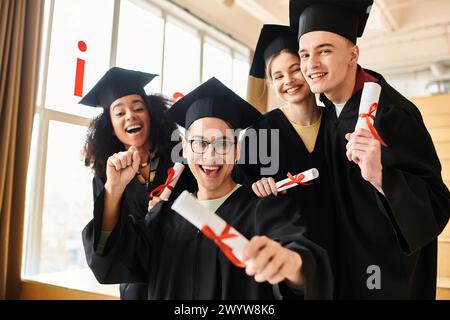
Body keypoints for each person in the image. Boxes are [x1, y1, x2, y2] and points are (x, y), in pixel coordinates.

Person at [82, 77, 333, 299]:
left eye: (223, 144)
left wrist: (289, 265)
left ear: (238, 150)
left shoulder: (265, 209)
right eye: (199, 143)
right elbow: (112, 259)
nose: (210, 155)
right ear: (184, 147)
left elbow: (302, 263)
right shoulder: (164, 216)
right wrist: (113, 190)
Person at [290, 0, 450, 299]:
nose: (311, 64)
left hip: (382, 277)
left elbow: (437, 205)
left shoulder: (391, 114)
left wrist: (380, 176)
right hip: (339, 268)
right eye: (305, 54)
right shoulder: (327, 110)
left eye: (324, 51)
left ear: (353, 55)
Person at [80, 67, 195, 300]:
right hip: (137, 285)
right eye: (119, 113)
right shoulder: (105, 175)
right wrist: (114, 189)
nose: (130, 116)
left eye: (138, 108)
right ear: (110, 127)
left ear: (151, 115)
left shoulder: (181, 158)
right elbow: (106, 241)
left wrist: (173, 214)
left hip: (184, 273)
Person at [236, 24, 335, 270]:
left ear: (307, 69)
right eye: (278, 76)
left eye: (294, 70)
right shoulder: (259, 132)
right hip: (288, 252)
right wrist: (256, 187)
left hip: (341, 246)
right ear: (270, 83)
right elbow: (242, 195)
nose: (288, 81)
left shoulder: (338, 122)